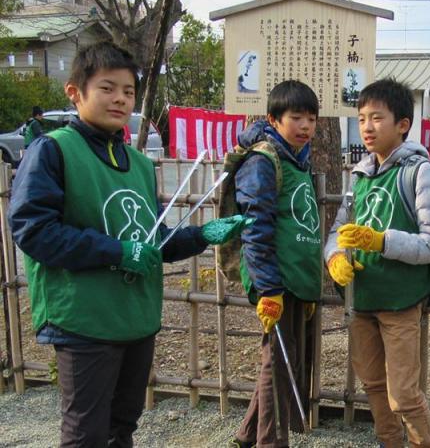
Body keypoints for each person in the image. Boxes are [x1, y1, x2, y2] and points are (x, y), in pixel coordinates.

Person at [8, 41, 249, 448]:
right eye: (107, 88)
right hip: (83, 320)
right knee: (87, 432)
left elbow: (151, 239)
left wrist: (201, 235)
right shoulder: (52, 151)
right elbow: (33, 231)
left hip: (135, 317)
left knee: (123, 425)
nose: (120, 98)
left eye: (128, 91)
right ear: (75, 92)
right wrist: (117, 252)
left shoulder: (138, 163)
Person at [324, 79, 430, 448]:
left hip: (400, 302)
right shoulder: (360, 176)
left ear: (403, 124)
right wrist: (334, 258)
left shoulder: (421, 173)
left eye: (377, 118)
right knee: (374, 385)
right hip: (362, 298)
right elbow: (337, 231)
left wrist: (382, 241)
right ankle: (389, 442)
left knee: (404, 394)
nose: (366, 127)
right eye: (362, 118)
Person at [230, 80, 322, 448]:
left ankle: (248, 434)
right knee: (279, 363)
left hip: (296, 277)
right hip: (276, 280)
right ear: (273, 118)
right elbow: (256, 226)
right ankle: (270, 442)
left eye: (312, 119)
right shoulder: (263, 160)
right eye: (296, 118)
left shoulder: (298, 159)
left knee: (284, 361)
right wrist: (268, 288)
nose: (305, 126)